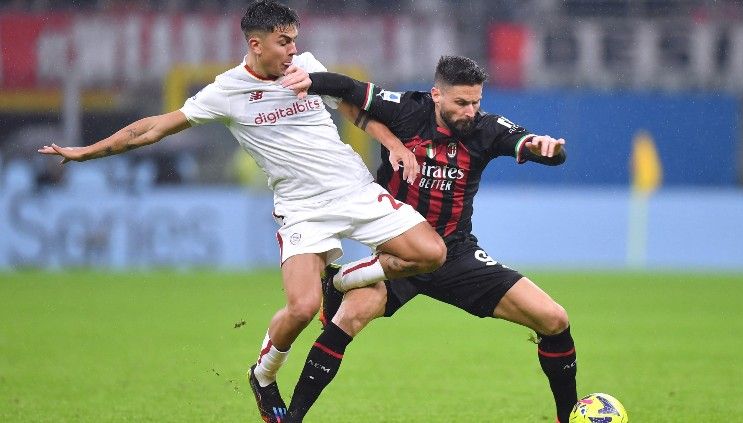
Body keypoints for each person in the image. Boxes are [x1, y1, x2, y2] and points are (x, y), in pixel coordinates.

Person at [37, 2, 447, 422]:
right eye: (283, 42)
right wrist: (88, 151)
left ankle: (342, 280)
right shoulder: (227, 92)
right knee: (303, 308)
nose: (292, 50)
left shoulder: (305, 66)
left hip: (353, 190)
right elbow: (154, 127)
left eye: (294, 41)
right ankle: (264, 376)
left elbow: (352, 108)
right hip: (302, 209)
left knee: (431, 253)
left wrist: (394, 144)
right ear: (256, 43)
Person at [283, 56, 577, 423]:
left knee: (554, 319)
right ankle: (291, 418)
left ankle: (568, 418)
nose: (470, 111)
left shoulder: (486, 129)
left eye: (476, 102)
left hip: (456, 254)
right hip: (400, 253)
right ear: (436, 94)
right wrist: (307, 79)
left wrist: (546, 147)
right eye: (461, 103)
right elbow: (347, 89)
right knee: (348, 318)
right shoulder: (407, 111)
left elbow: (542, 150)